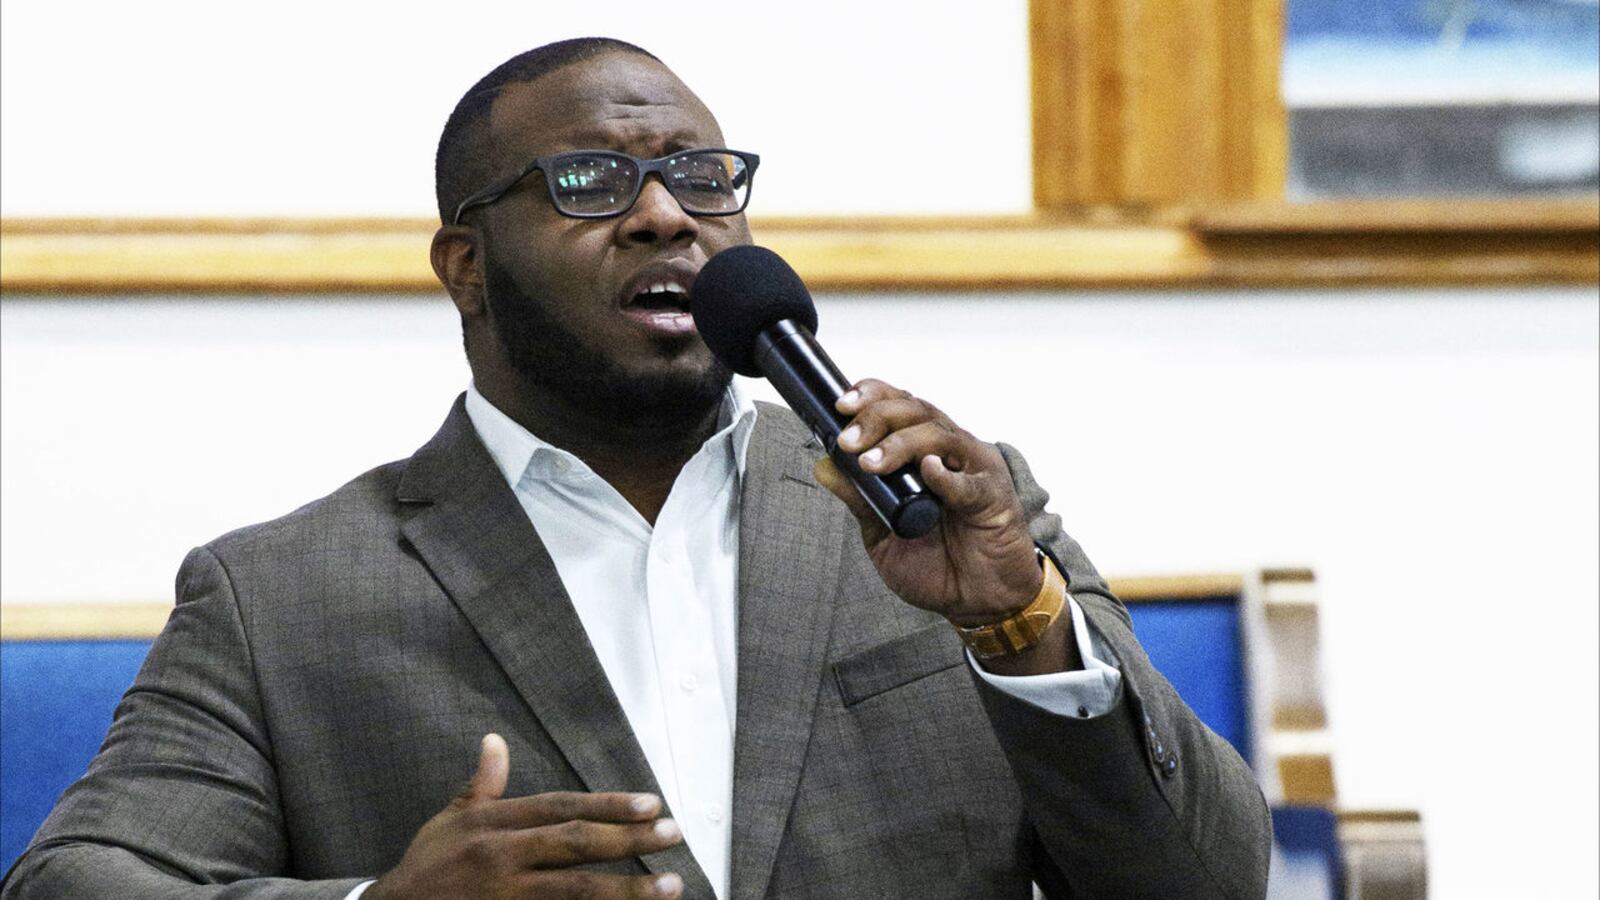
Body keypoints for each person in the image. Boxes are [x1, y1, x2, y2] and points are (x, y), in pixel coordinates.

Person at [1, 38, 1270, 900]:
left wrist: (1022, 625)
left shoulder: (946, 517)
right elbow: (81, 884)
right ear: (466, 266)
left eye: (701, 178)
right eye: (593, 181)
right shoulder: (281, 595)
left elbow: (1205, 878)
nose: (667, 214)